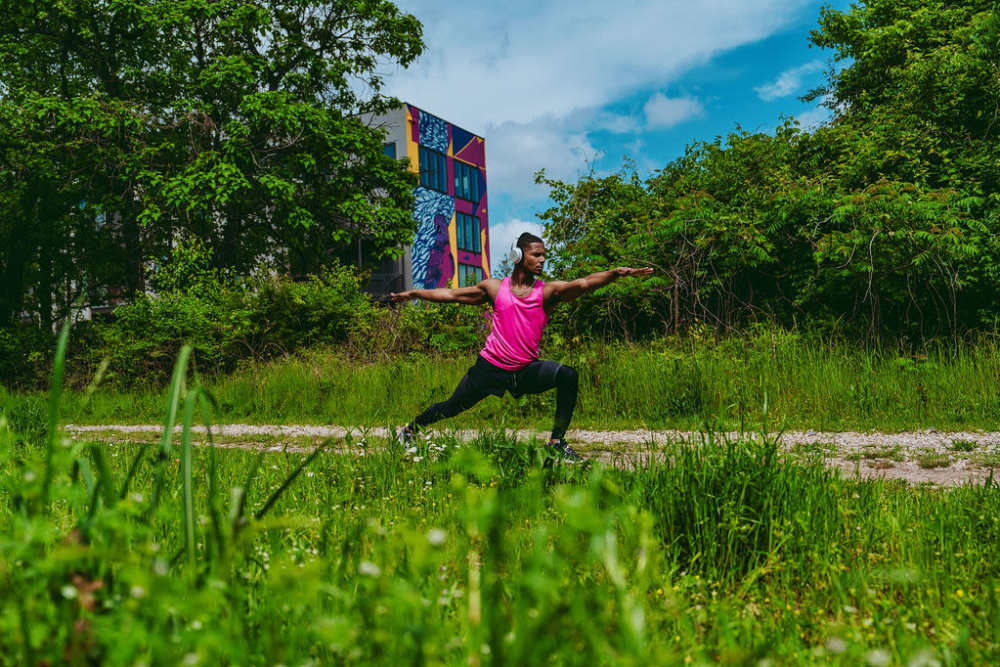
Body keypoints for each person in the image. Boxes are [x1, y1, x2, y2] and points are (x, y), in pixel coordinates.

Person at [390, 232, 653, 462]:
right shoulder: (494, 288)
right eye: (536, 255)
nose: (542, 260)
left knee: (568, 375)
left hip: (524, 371)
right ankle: (411, 430)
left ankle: (556, 444)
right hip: (489, 368)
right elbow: (452, 295)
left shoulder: (548, 292)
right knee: (452, 407)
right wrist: (414, 293)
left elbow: (583, 283)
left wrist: (615, 274)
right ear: (518, 256)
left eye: (544, 256)